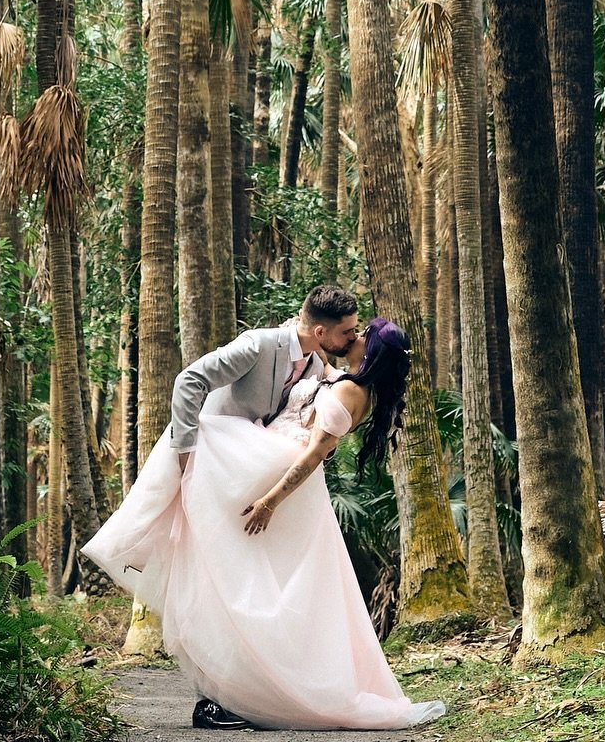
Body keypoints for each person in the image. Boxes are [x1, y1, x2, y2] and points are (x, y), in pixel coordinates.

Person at [83, 297, 446, 733]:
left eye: (358, 334)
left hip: (269, 471)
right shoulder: (279, 353)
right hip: (249, 460)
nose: (353, 336)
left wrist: (272, 499)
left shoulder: (344, 384)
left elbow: (316, 448)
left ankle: (246, 689)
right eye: (349, 330)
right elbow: (191, 380)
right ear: (320, 332)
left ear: (369, 352)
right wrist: (187, 450)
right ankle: (221, 687)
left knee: (255, 585)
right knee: (231, 573)